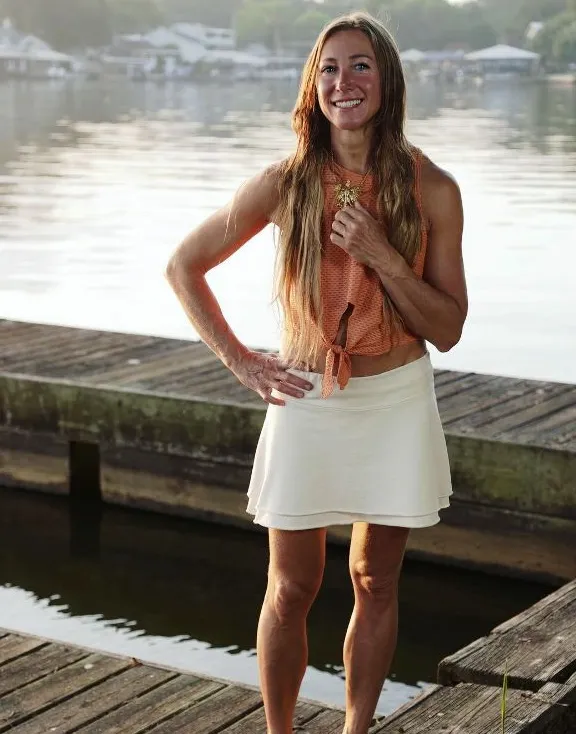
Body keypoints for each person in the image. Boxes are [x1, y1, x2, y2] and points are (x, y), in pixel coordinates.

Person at [165, 11, 467, 734]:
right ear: (313, 86)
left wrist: (384, 254)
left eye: (360, 66)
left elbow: (449, 328)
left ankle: (357, 730)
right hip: (306, 395)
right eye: (329, 68)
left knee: (375, 579)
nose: (344, 82)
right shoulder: (284, 182)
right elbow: (183, 266)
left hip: (395, 398)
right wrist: (241, 361)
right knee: (292, 586)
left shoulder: (434, 190)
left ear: (386, 82)